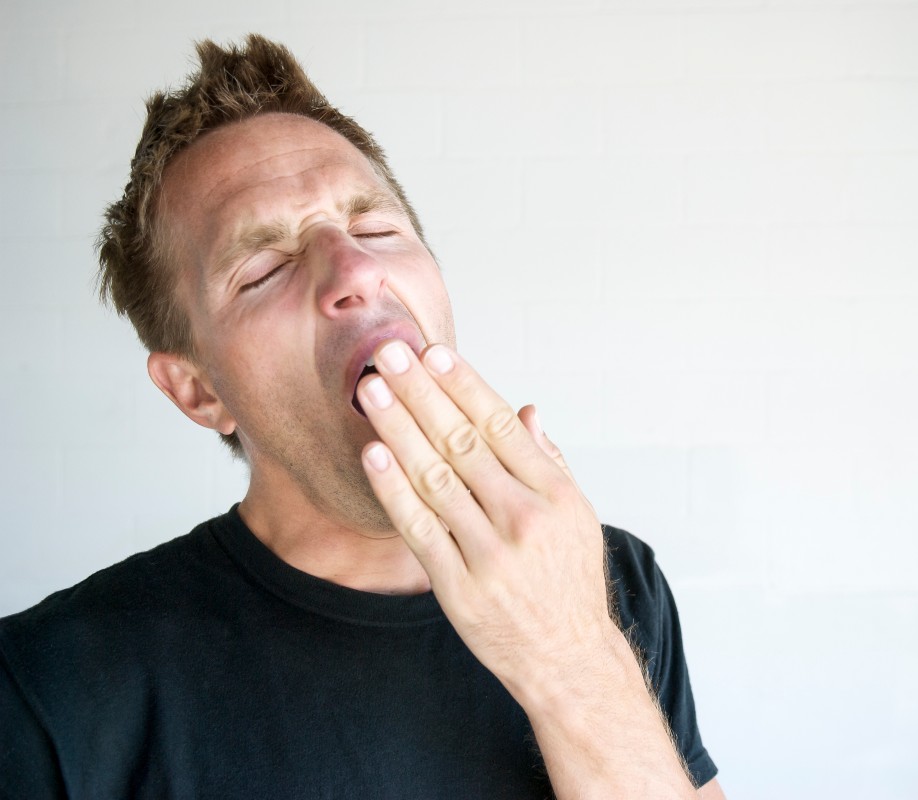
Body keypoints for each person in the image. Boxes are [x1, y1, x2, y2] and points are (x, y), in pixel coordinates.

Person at [0, 35, 722, 800]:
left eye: (376, 229)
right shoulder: (48, 687)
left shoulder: (610, 581)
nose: (355, 271)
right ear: (197, 391)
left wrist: (572, 654)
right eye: (266, 267)